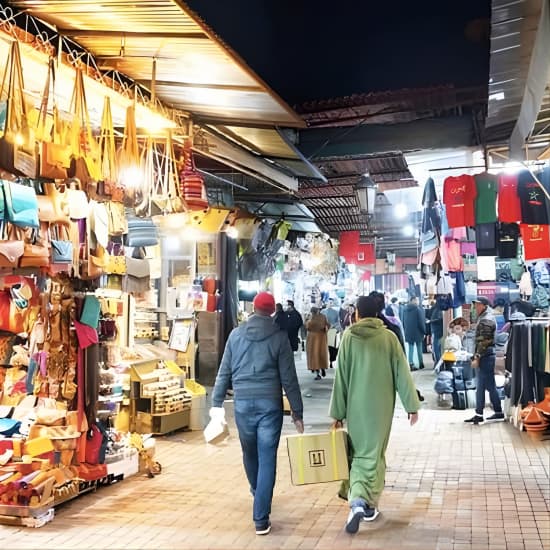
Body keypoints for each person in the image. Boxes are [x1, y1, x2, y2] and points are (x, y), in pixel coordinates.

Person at [211, 291, 304, 535]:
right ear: (272, 310)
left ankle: (257, 492)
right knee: (267, 457)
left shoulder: (235, 335)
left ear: (253, 308)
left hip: (242, 404)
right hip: (269, 406)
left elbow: (224, 372)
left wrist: (216, 403)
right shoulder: (279, 337)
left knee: (249, 451)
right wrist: (297, 412)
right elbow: (289, 378)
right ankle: (260, 517)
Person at [329, 295, 420, 534]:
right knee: (374, 454)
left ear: (357, 314)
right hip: (381, 408)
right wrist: (411, 405)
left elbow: (341, 378)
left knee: (360, 453)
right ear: (378, 313)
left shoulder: (348, 337)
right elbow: (402, 372)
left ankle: (365, 504)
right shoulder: (388, 338)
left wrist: (337, 412)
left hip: (355, 407)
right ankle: (360, 501)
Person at [464, 297, 504, 424]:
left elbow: (484, 341)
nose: (475, 307)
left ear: (484, 305)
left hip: (485, 356)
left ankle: (479, 414)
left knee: (481, 386)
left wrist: (477, 356)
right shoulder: (486, 317)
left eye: (477, 305)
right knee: (490, 385)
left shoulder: (486, 319)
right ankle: (498, 412)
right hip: (487, 355)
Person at [402, 296, 426, 370]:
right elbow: (421, 322)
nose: (418, 301)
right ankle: (421, 363)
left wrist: (405, 329)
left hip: (408, 331)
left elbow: (403, 321)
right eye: (417, 300)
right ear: (413, 300)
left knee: (411, 348)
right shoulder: (417, 310)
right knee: (419, 347)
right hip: (417, 331)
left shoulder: (405, 309)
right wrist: (424, 331)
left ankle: (410, 363)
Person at [305, 307, 330, 380]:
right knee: (321, 354)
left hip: (312, 339)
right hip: (321, 338)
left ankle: (317, 373)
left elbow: (308, 326)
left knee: (314, 356)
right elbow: (328, 325)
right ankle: (322, 368)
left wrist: (307, 321)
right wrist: (325, 329)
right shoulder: (323, 316)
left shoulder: (311, 318)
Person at [322, 298, 341, 367]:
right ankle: (325, 361)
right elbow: (321, 321)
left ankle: (331, 361)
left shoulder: (336, 312)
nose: (330, 304)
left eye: (331, 302)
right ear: (327, 303)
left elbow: (338, 321)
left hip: (332, 331)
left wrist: (334, 326)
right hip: (324, 331)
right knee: (325, 347)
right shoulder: (323, 311)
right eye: (329, 302)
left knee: (332, 347)